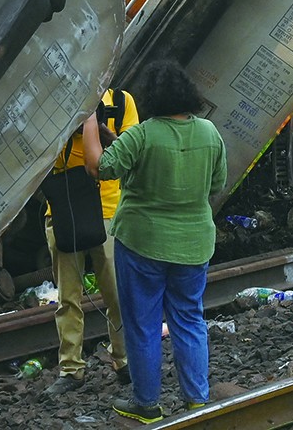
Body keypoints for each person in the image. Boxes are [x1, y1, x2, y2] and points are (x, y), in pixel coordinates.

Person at [88, 61, 228, 423]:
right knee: (189, 319)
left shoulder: (144, 133)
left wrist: (89, 122)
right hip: (193, 244)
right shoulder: (210, 133)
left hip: (142, 244)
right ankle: (197, 400)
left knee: (143, 325)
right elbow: (216, 185)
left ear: (152, 97)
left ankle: (147, 405)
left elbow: (99, 168)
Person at [45, 88, 137, 395]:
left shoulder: (121, 102)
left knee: (118, 294)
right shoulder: (52, 100)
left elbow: (131, 151)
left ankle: (125, 361)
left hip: (110, 209)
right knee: (67, 297)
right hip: (64, 207)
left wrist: (96, 127)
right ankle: (71, 368)